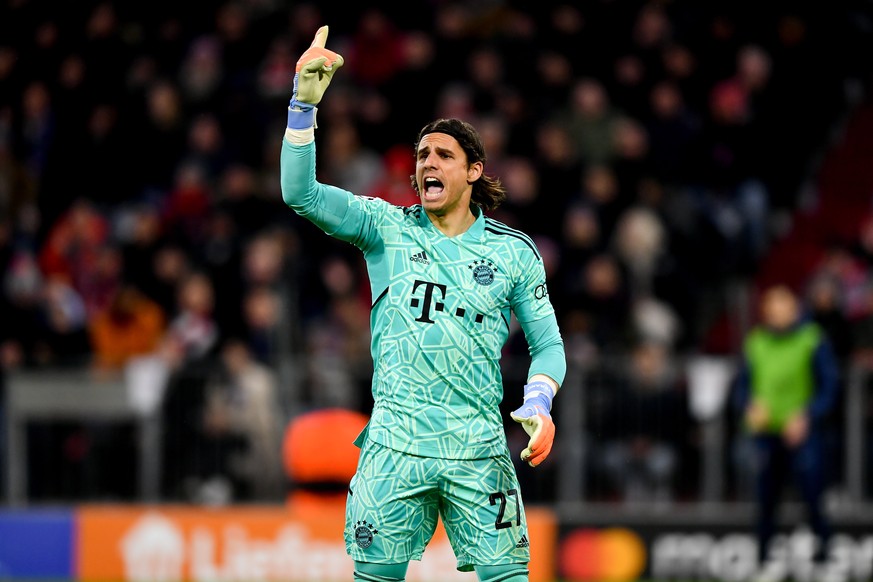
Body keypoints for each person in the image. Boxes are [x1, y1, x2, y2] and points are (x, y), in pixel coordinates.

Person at [279, 26, 566, 582]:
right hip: (395, 445)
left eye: (442, 154)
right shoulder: (385, 227)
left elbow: (548, 344)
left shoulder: (513, 254)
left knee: (508, 576)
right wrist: (302, 106)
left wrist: (540, 401)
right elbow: (301, 194)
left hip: (478, 448)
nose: (426, 163)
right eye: (420, 155)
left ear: (474, 172)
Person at [734, 284, 840, 568]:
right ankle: (764, 562)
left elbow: (829, 387)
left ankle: (825, 561)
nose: (777, 316)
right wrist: (750, 407)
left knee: (813, 498)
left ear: (795, 309)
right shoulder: (756, 341)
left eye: (783, 309)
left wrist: (807, 415)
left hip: (803, 433)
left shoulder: (812, 338)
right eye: (772, 310)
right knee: (766, 501)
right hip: (765, 434)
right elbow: (742, 389)